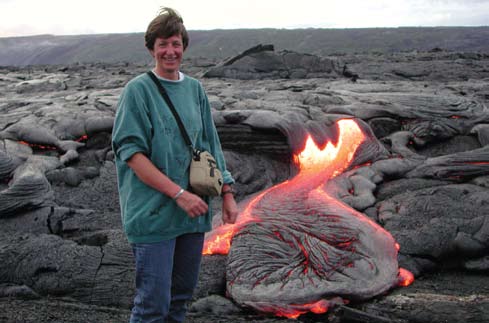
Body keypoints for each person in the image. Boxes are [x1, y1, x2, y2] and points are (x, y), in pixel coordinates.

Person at [111, 7, 238, 323]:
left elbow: (210, 144)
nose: (170, 51)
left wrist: (227, 192)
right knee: (152, 307)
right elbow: (133, 155)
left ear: (184, 46)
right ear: (151, 48)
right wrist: (179, 194)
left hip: (192, 217)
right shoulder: (138, 91)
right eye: (163, 44)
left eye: (176, 43)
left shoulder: (194, 89)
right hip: (152, 216)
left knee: (180, 302)